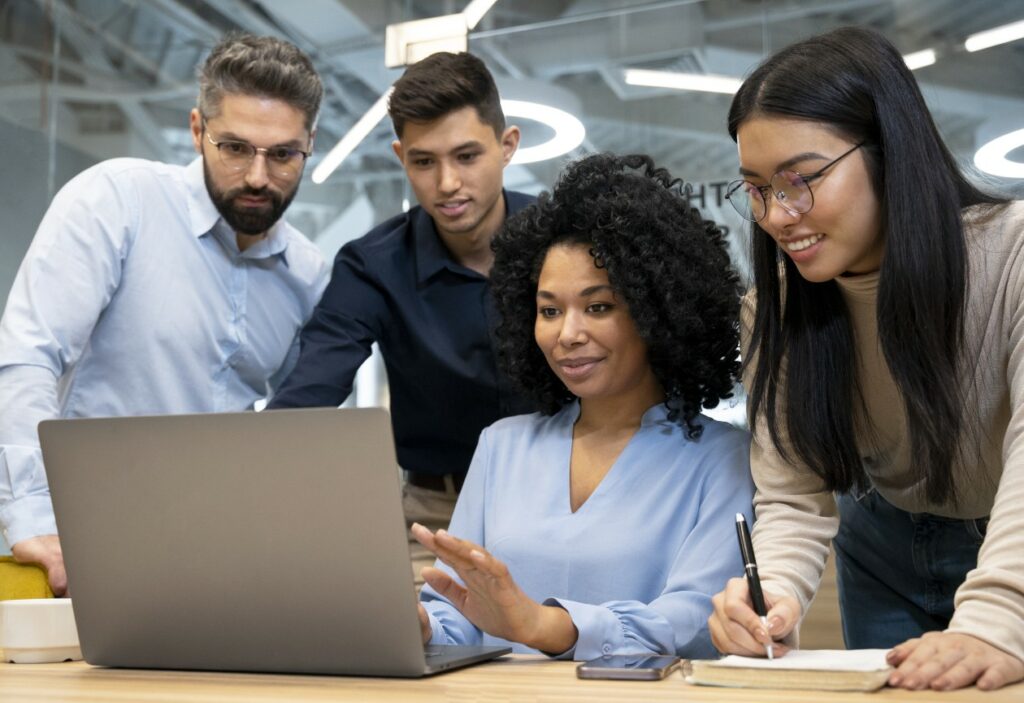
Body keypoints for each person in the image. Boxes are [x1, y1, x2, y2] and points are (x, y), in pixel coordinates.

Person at [706, 26, 1024, 692]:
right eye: (758, 188)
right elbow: (792, 493)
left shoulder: (1012, 255)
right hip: (882, 545)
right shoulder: (776, 306)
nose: (777, 215)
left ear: (889, 151)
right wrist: (772, 598)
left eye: (800, 180)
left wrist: (999, 614)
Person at [0, 34, 329, 596]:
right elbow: (28, 356)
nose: (257, 176)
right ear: (199, 130)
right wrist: (29, 517)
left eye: (281, 154)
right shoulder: (117, 201)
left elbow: (292, 432)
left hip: (217, 554)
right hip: (76, 544)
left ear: (309, 145)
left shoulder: (308, 273)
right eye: (234, 148)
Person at [411, 153, 754, 660]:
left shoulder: (722, 458)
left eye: (598, 306)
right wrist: (417, 623)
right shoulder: (502, 445)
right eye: (549, 310)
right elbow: (456, 613)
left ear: (658, 312)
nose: (567, 334)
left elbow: (696, 622)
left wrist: (544, 625)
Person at [267, 52, 534, 583]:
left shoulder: (569, 239)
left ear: (507, 147)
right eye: (424, 161)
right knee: (407, 646)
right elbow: (308, 394)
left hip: (569, 503)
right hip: (437, 521)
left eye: (466, 156)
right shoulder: (373, 266)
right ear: (400, 156)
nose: (447, 183)